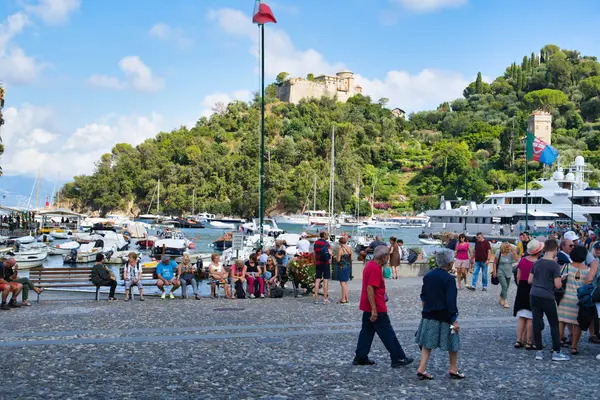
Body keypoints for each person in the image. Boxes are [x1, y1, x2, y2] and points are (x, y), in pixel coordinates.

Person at [353, 245, 413, 368]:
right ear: (384, 256)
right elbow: (371, 288)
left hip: (367, 305)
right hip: (377, 306)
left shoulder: (370, 265)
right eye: (388, 256)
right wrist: (374, 310)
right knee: (387, 332)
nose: (388, 258)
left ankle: (361, 356)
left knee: (367, 331)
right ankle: (398, 357)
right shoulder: (375, 268)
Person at [415, 249, 464, 380]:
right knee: (454, 341)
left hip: (429, 314)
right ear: (450, 262)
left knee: (427, 344)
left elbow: (423, 296)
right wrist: (454, 320)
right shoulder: (449, 279)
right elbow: (451, 301)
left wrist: (425, 312)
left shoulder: (428, 276)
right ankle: (453, 368)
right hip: (445, 317)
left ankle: (422, 368)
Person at [528, 239, 570, 361]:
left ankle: (539, 351)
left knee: (536, 322)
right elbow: (557, 285)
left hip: (534, 295)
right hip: (547, 296)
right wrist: (561, 278)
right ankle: (556, 352)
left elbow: (530, 281)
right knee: (554, 324)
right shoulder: (554, 265)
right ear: (555, 249)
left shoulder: (537, 262)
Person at [557, 246, 590, 355]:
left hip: (565, 298)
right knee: (577, 324)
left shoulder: (566, 266)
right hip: (578, 300)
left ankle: (557, 344)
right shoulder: (588, 270)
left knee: (561, 321)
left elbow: (559, 279)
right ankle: (574, 347)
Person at [513, 239, 542, 350]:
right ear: (538, 251)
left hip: (522, 288)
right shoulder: (538, 263)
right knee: (531, 317)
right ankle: (529, 341)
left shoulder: (523, 260)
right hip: (533, 287)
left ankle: (519, 339)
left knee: (522, 316)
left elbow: (518, 276)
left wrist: (520, 285)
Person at [493, 242, 519, 308]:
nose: (508, 248)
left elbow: (516, 259)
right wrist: (494, 272)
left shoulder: (511, 254)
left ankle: (501, 297)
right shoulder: (499, 253)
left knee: (506, 287)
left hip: (509, 272)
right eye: (507, 247)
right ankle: (506, 301)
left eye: (509, 247)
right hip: (500, 271)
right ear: (503, 247)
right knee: (504, 286)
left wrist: (513, 250)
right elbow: (494, 263)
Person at [313, 231, 332, 304]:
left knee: (317, 280)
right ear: (324, 235)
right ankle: (324, 299)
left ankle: (316, 299)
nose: (328, 235)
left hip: (318, 263)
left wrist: (315, 262)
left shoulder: (316, 243)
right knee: (325, 280)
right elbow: (330, 253)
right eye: (327, 234)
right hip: (325, 263)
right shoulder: (326, 244)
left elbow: (314, 253)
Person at [336, 236, 353, 304]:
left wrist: (335, 257)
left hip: (342, 267)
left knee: (342, 283)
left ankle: (343, 299)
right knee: (345, 283)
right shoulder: (350, 248)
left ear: (340, 243)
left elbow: (338, 260)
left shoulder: (340, 249)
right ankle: (346, 298)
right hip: (348, 267)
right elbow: (351, 259)